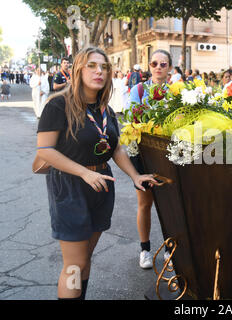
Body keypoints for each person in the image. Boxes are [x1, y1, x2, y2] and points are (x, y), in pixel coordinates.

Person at [36, 46, 159, 299]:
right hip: (70, 186)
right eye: (91, 65)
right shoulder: (58, 105)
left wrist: (135, 177)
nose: (99, 71)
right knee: (73, 264)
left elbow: (116, 149)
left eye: (103, 67)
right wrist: (84, 173)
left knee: (85, 258)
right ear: (78, 69)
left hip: (101, 186)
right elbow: (45, 150)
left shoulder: (106, 110)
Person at [127, 49, 173, 269]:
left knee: (170, 205)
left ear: (169, 68)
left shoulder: (177, 92)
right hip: (143, 155)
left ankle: (170, 249)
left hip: (169, 155)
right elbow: (130, 117)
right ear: (149, 66)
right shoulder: (138, 89)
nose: (158, 67)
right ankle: (144, 250)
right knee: (145, 203)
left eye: (163, 64)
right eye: (154, 63)